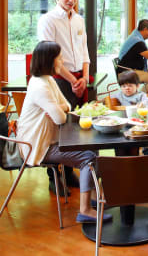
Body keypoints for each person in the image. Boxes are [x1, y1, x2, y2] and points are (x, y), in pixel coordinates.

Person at [15, 41, 110, 224]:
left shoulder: (47, 80)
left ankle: (94, 199)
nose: (63, 61)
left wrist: (58, 108)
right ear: (49, 60)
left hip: (49, 140)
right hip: (37, 146)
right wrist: (59, 110)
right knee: (88, 157)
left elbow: (67, 105)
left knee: (91, 147)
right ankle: (85, 211)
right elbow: (60, 118)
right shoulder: (40, 86)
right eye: (59, 58)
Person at [37, 0, 89, 109]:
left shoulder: (79, 20)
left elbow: (84, 51)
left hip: (80, 80)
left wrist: (85, 78)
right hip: (59, 80)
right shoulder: (48, 20)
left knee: (82, 118)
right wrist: (73, 81)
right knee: (63, 119)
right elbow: (50, 57)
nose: (72, 0)